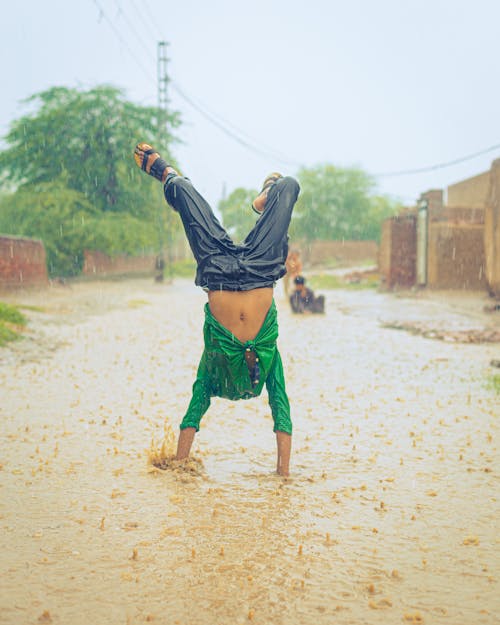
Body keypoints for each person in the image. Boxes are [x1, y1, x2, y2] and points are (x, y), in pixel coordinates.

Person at [134, 143, 300, 476]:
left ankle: (164, 172)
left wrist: (180, 467)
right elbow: (282, 410)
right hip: (261, 268)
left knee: (182, 188)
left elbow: (192, 415)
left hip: (217, 269)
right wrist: (283, 476)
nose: (248, 387)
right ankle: (269, 195)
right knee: (290, 185)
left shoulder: (210, 372)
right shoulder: (271, 365)